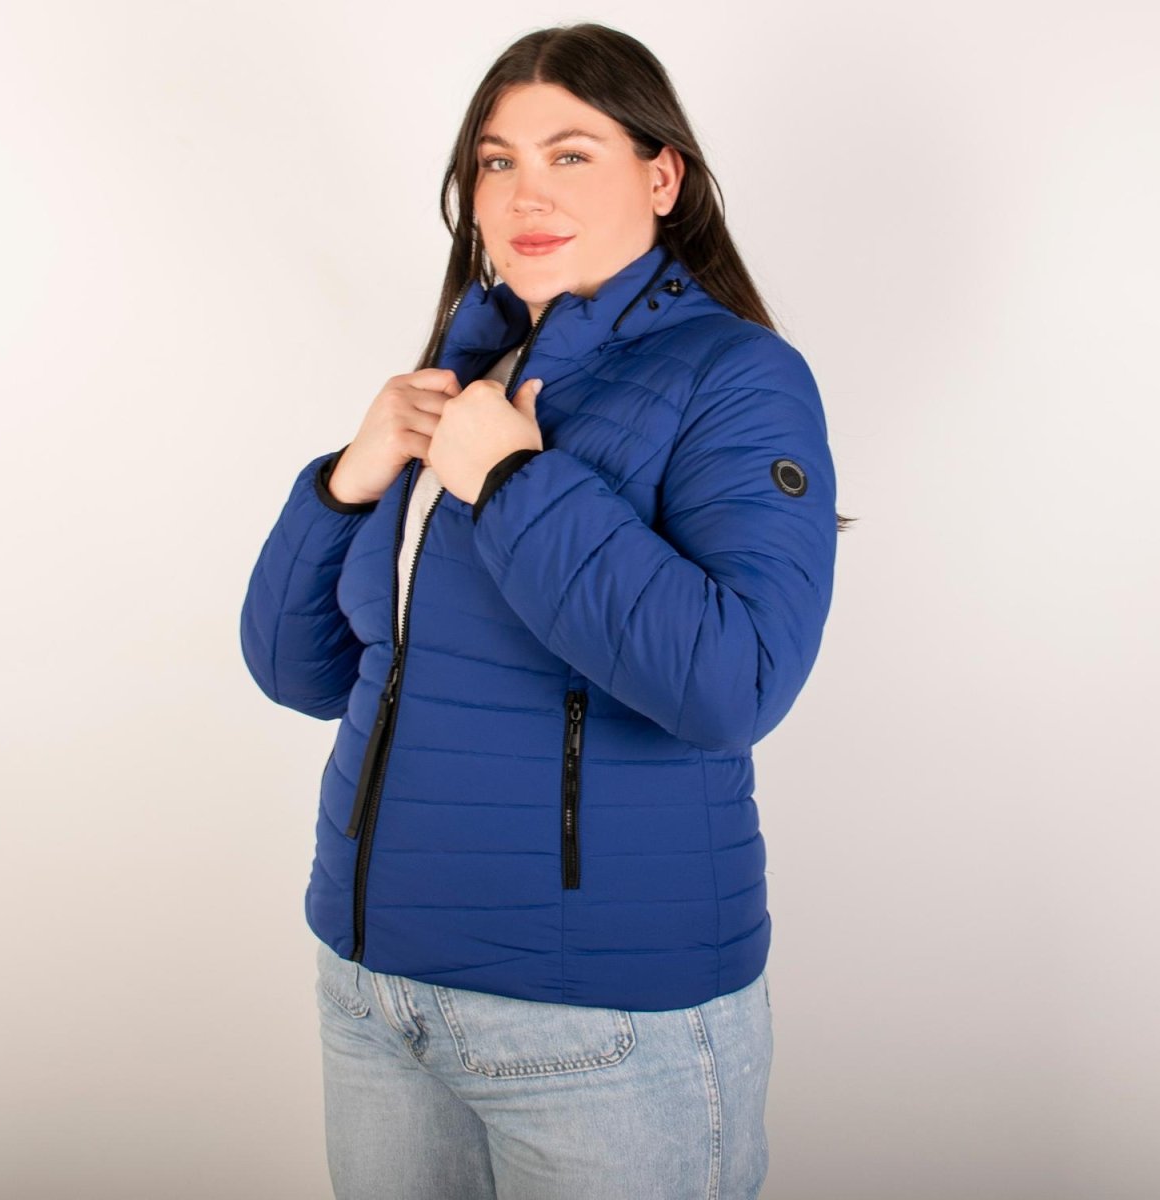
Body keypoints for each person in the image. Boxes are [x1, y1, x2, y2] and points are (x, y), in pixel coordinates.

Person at [240, 21, 847, 1200]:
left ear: (661, 176)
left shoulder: (738, 376)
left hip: (603, 1028)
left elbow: (738, 682)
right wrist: (347, 481)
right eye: (496, 160)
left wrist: (515, 483)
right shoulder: (466, 379)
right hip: (377, 995)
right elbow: (297, 671)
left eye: (572, 153)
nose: (526, 192)